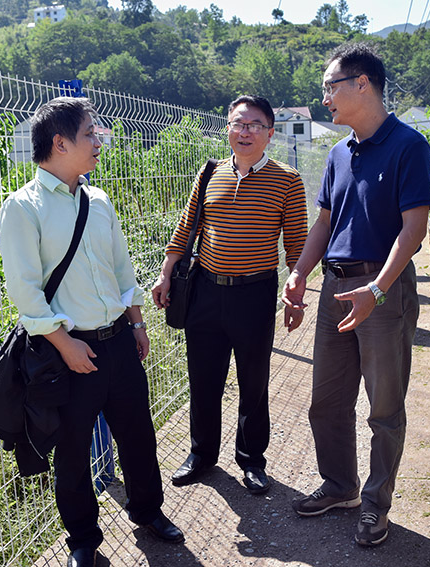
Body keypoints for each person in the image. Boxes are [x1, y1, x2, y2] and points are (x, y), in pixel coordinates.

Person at [0, 97, 183, 567]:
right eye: (89, 135)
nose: (98, 142)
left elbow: (121, 267)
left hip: (117, 341)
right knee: (74, 451)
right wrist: (65, 344)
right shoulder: (23, 207)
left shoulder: (97, 199)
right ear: (60, 143)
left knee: (138, 435)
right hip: (68, 352)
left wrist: (136, 321)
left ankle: (148, 511)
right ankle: (82, 539)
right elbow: (25, 292)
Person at [282, 43, 430, 547]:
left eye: (330, 86)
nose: (325, 97)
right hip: (336, 286)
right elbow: (325, 222)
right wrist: (300, 273)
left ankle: (375, 505)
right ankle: (340, 486)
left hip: (381, 290)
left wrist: (377, 288)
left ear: (362, 83)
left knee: (384, 409)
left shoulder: (408, 145)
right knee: (326, 401)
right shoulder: (337, 153)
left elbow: (414, 229)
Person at [151, 95, 308, 496]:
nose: (245, 132)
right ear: (227, 129)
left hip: (255, 294)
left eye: (255, 125)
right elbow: (185, 230)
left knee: (253, 381)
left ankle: (252, 460)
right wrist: (166, 274)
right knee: (203, 380)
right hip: (205, 290)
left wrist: (296, 293)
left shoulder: (287, 180)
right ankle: (201, 455)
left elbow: (297, 244)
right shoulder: (210, 174)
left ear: (270, 133)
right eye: (238, 124)